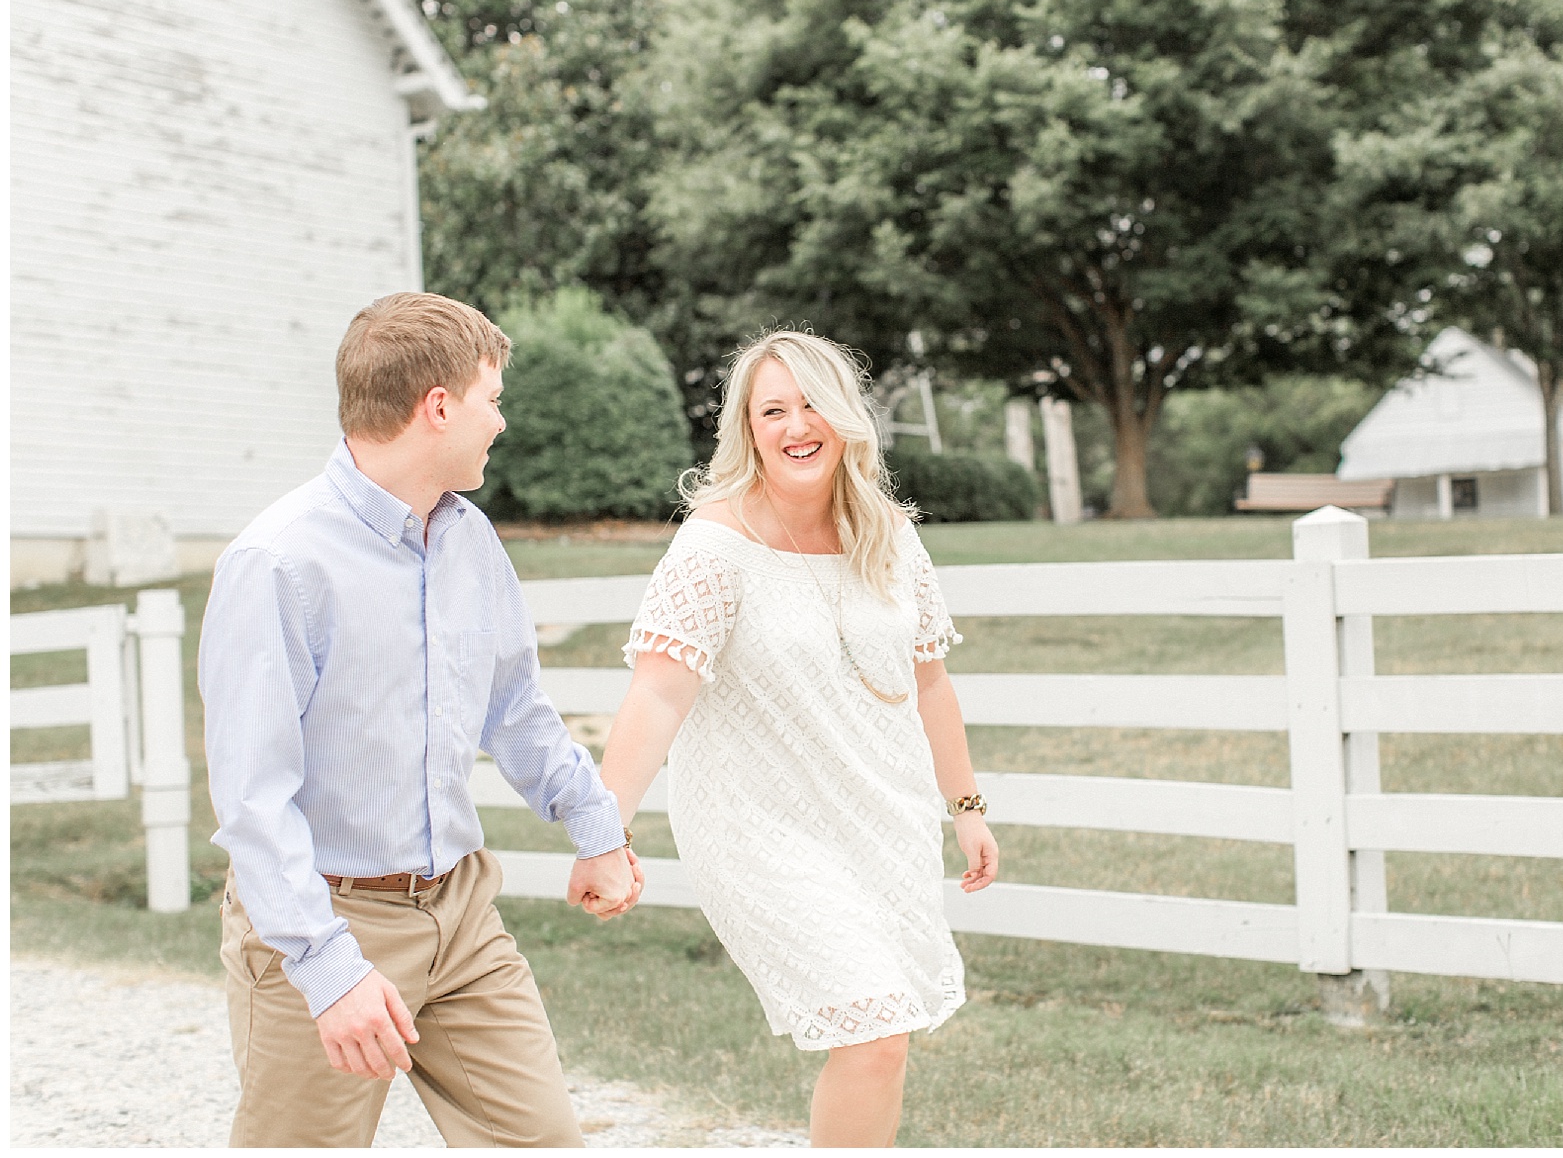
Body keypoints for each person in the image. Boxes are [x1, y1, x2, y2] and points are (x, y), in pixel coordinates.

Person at [198, 292, 644, 1147]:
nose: (500, 422)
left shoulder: (469, 539)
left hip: (462, 913)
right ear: (437, 406)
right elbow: (253, 801)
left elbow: (517, 707)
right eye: (492, 399)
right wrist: (328, 968)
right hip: (323, 918)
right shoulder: (278, 562)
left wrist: (597, 828)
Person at [599, 330, 1000, 1147]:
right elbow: (656, 693)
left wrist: (966, 807)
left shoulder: (889, 537)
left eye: (811, 402)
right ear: (748, 430)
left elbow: (930, 683)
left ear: (845, 416)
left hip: (878, 819)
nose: (794, 424)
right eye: (771, 409)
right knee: (872, 1032)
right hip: (759, 827)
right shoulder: (715, 546)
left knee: (884, 1048)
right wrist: (602, 832)